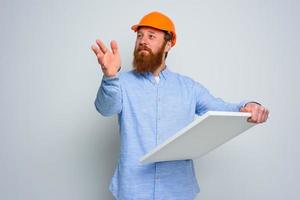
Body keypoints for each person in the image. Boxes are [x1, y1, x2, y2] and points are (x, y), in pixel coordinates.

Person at [91, 11, 269, 200]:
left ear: (168, 44)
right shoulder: (122, 82)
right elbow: (105, 108)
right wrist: (110, 76)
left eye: (151, 36)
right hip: (133, 190)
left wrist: (250, 106)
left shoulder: (188, 87)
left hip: (178, 191)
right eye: (140, 36)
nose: (143, 41)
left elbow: (221, 108)